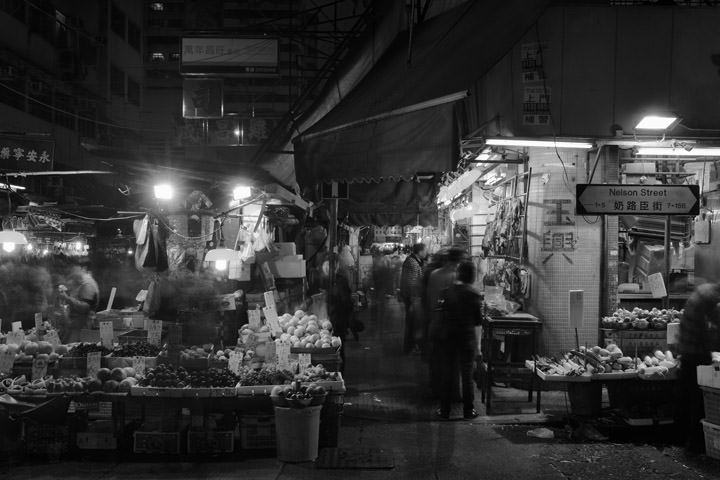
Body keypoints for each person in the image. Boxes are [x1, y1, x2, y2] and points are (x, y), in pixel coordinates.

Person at [434, 261, 483, 419]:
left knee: (447, 375)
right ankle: (468, 411)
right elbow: (477, 323)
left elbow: (439, 315)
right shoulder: (474, 294)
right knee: (467, 376)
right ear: (472, 276)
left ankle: (444, 410)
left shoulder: (445, 292)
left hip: (447, 338)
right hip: (466, 338)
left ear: (458, 274)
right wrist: (478, 348)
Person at [676, 282, 720, 453]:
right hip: (696, 353)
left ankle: (679, 437)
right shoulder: (711, 298)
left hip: (687, 351)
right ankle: (695, 442)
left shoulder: (703, 291)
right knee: (699, 398)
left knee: (685, 395)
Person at [426, 247, 467, 396]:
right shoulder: (456, 277)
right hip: (450, 325)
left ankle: (436, 389)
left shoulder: (434, 274)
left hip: (435, 322)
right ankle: (452, 393)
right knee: (452, 362)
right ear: (459, 260)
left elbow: (430, 300)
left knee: (437, 358)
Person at [58, 266, 99, 343]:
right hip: (75, 325)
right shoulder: (79, 285)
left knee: (74, 346)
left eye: (69, 278)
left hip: (83, 326)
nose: (67, 282)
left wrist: (67, 298)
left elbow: (85, 307)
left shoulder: (87, 286)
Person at [326, 256, 353, 373]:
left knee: (339, 349)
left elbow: (346, 301)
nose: (327, 269)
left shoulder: (340, 281)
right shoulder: (328, 281)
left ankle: (340, 373)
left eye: (329, 266)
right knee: (336, 348)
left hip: (338, 321)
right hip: (331, 320)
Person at [399, 243, 427, 354]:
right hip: (413, 297)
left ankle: (412, 347)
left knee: (413, 323)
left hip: (412, 297)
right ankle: (411, 347)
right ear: (419, 252)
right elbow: (411, 283)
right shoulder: (412, 263)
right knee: (413, 323)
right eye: (425, 250)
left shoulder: (414, 261)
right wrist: (414, 299)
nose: (426, 252)